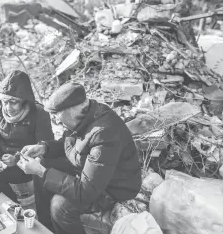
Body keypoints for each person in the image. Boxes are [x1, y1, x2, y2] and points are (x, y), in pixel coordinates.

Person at [17, 83, 142, 234]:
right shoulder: (85, 116)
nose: (55, 120)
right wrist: (44, 148)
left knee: (59, 205)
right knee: (43, 161)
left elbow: (85, 192)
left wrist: (42, 172)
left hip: (115, 188)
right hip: (91, 170)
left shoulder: (104, 134)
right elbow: (69, 143)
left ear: (70, 111)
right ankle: (47, 228)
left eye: (57, 114)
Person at [0, 70, 54, 202]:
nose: (8, 107)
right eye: (5, 102)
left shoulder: (39, 113)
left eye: (13, 102)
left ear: (24, 101)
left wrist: (17, 158)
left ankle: (14, 205)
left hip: (26, 165)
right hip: (2, 159)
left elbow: (45, 146)